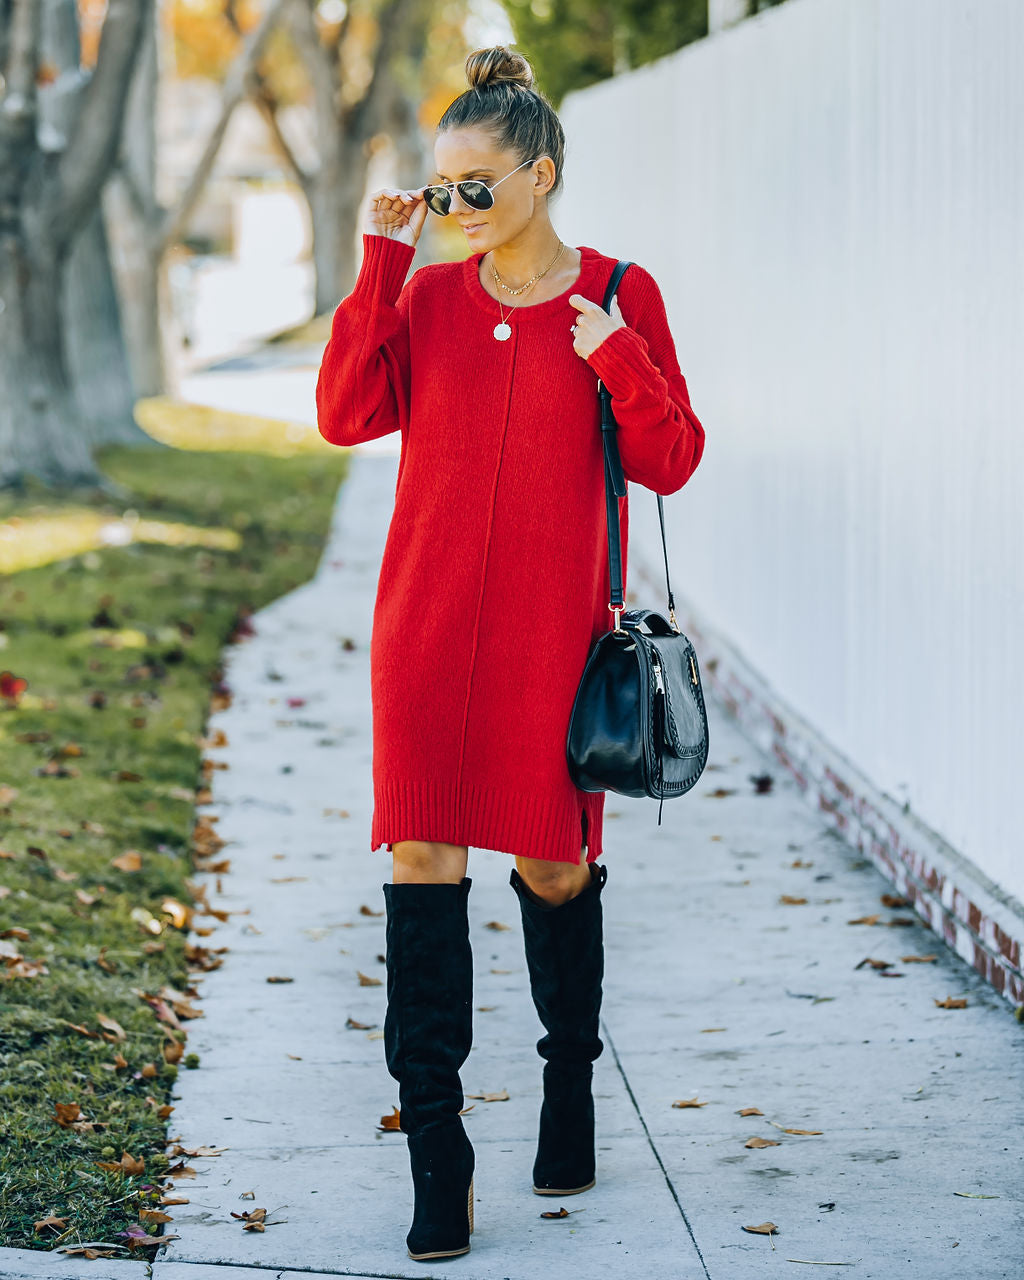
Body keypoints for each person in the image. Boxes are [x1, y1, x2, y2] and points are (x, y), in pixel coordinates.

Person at [315, 44, 705, 1263]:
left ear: (538, 176)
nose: (455, 209)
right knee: (423, 863)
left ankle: (569, 1078)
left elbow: (673, 457)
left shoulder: (618, 292)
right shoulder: (427, 296)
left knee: (548, 869)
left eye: (474, 187)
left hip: (552, 642)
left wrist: (613, 357)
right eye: (440, 189)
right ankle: (439, 1154)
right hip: (422, 634)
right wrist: (383, 258)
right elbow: (343, 413)